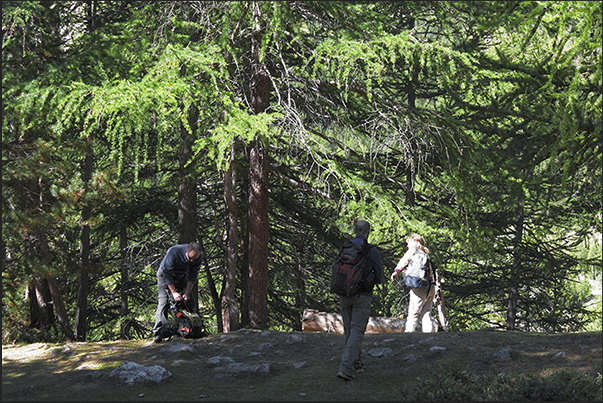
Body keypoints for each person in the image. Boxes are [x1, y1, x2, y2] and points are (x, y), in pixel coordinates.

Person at [336, 220, 383, 381]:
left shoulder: (345, 248)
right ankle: (345, 368)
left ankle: (356, 362)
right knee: (357, 331)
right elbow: (379, 276)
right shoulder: (371, 251)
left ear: (355, 230)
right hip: (362, 295)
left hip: (344, 293)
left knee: (349, 330)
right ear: (368, 232)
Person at [153, 242, 203, 342]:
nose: (192, 261)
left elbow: (193, 276)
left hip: (182, 277)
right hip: (165, 276)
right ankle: (158, 332)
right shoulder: (174, 252)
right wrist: (174, 292)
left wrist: (187, 292)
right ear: (187, 251)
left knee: (188, 301)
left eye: (195, 259)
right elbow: (167, 274)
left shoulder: (198, 257)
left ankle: (188, 329)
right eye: (191, 258)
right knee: (163, 302)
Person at [391, 233, 436, 333]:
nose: (407, 245)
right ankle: (428, 335)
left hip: (419, 287)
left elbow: (404, 260)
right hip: (431, 286)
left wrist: (396, 271)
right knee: (426, 313)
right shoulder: (425, 253)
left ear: (413, 242)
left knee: (413, 313)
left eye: (408, 243)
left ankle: (408, 333)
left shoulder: (413, 251)